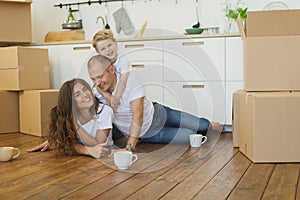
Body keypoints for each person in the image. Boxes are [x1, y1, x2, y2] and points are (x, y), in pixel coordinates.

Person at [88, 55, 212, 152]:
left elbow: (138, 116)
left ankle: (216, 127)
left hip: (159, 113)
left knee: (204, 125)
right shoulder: (97, 93)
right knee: (189, 136)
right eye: (93, 79)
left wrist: (129, 148)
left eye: (100, 77)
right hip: (149, 133)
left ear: (111, 69)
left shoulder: (130, 81)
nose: (97, 82)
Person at [27, 78, 114, 158]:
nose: (85, 95)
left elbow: (97, 144)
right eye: (77, 94)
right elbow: (68, 143)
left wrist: (76, 127)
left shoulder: (104, 111)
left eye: (85, 89)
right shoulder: (67, 116)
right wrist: (57, 139)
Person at [92, 29, 130, 111]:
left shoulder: (123, 61)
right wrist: (108, 97)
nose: (108, 50)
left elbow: (123, 82)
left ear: (115, 44)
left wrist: (116, 99)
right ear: (98, 52)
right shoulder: (101, 64)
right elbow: (96, 85)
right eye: (103, 49)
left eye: (109, 45)